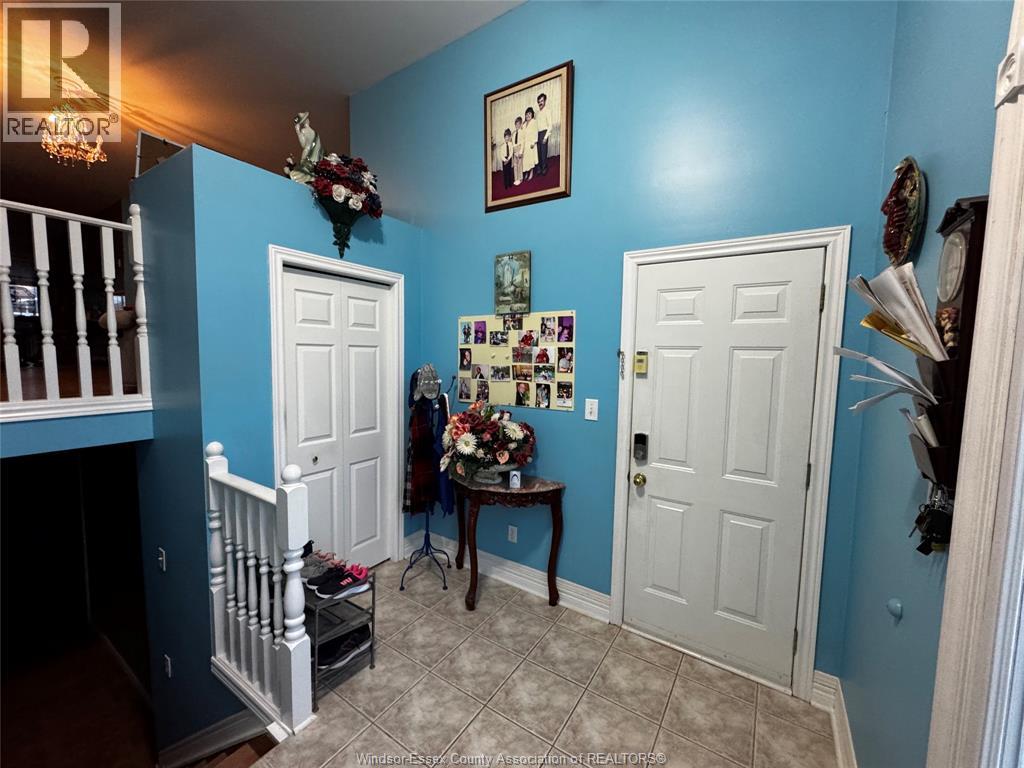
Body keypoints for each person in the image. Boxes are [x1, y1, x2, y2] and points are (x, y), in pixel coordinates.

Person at [535, 93, 552, 176]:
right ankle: (540, 168)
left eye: (542, 101)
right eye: (539, 101)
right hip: (537, 134)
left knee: (543, 152)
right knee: (538, 152)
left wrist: (545, 137)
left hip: (544, 133)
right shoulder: (537, 113)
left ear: (545, 101)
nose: (540, 103)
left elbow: (550, 126)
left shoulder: (547, 111)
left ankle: (544, 168)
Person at [522, 108, 538, 181]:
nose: (528, 115)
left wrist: (533, 142)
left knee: (530, 159)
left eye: (529, 113)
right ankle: (526, 172)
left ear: (532, 115)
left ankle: (531, 172)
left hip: (531, 144)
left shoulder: (534, 122)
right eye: (526, 114)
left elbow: (535, 132)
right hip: (525, 144)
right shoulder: (524, 124)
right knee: (525, 160)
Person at [512, 116, 525, 186]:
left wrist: (520, 152)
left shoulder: (522, 132)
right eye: (516, 124)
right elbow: (513, 143)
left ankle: (520, 178)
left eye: (518, 124)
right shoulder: (514, 133)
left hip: (519, 148)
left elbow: (523, 142)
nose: (517, 125)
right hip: (515, 149)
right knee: (515, 165)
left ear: (520, 125)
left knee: (520, 165)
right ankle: (516, 178)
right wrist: (514, 151)